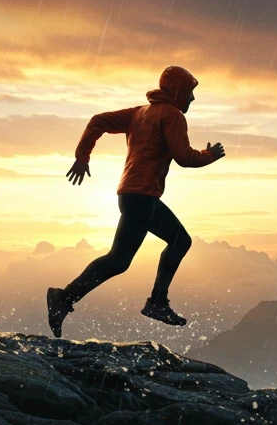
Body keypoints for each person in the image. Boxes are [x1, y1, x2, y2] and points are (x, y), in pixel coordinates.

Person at [46, 66, 225, 338]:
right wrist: (209, 155)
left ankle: (155, 302)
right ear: (178, 91)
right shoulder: (172, 115)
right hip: (141, 197)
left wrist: (83, 156)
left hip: (135, 195)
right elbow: (185, 157)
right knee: (119, 260)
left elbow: (98, 121)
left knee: (178, 242)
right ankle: (65, 297)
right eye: (190, 92)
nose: (192, 98)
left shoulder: (139, 113)